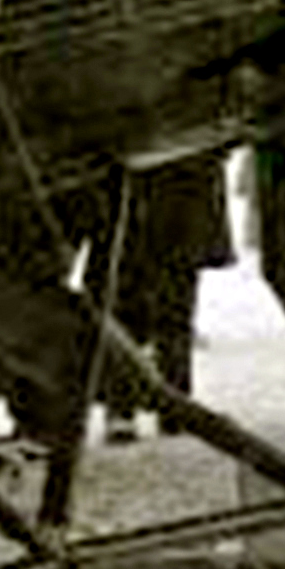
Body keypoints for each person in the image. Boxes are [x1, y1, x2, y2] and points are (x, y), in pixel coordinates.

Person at [104, 151, 233, 442]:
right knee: (139, 303)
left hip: (171, 189)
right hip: (147, 189)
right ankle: (137, 407)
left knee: (163, 305)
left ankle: (153, 407)